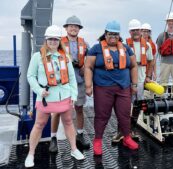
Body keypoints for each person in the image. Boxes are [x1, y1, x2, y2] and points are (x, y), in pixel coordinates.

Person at [25, 25, 84, 167]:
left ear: (59, 41)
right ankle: (31, 154)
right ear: (46, 40)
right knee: (39, 124)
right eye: (50, 39)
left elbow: (71, 78)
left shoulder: (65, 57)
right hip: (46, 97)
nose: (53, 42)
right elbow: (30, 76)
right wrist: (39, 91)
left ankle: (74, 149)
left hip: (64, 95)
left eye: (55, 40)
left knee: (69, 122)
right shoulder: (37, 57)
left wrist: (73, 95)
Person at [85, 20, 139, 155]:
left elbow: (133, 66)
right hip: (103, 88)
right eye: (110, 34)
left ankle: (126, 138)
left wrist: (134, 84)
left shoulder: (126, 48)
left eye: (115, 34)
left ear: (119, 35)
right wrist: (88, 85)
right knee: (102, 115)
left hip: (123, 87)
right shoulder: (96, 48)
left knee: (124, 115)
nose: (113, 37)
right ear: (105, 34)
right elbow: (88, 67)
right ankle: (98, 141)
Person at [49, 15, 90, 153]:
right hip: (62, 83)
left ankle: (80, 135)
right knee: (57, 111)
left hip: (79, 81)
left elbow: (90, 60)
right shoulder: (59, 42)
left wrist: (86, 66)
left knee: (79, 108)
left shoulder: (85, 44)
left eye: (76, 26)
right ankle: (53, 138)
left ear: (79, 29)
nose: (73, 28)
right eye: (71, 26)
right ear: (66, 28)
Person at [112, 19, 154, 143]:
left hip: (140, 79)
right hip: (126, 79)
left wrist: (148, 76)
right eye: (133, 30)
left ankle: (133, 130)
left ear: (141, 31)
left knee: (137, 105)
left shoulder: (147, 45)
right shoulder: (123, 44)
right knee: (123, 106)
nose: (135, 32)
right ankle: (121, 131)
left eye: (137, 30)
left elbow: (151, 61)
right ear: (129, 31)